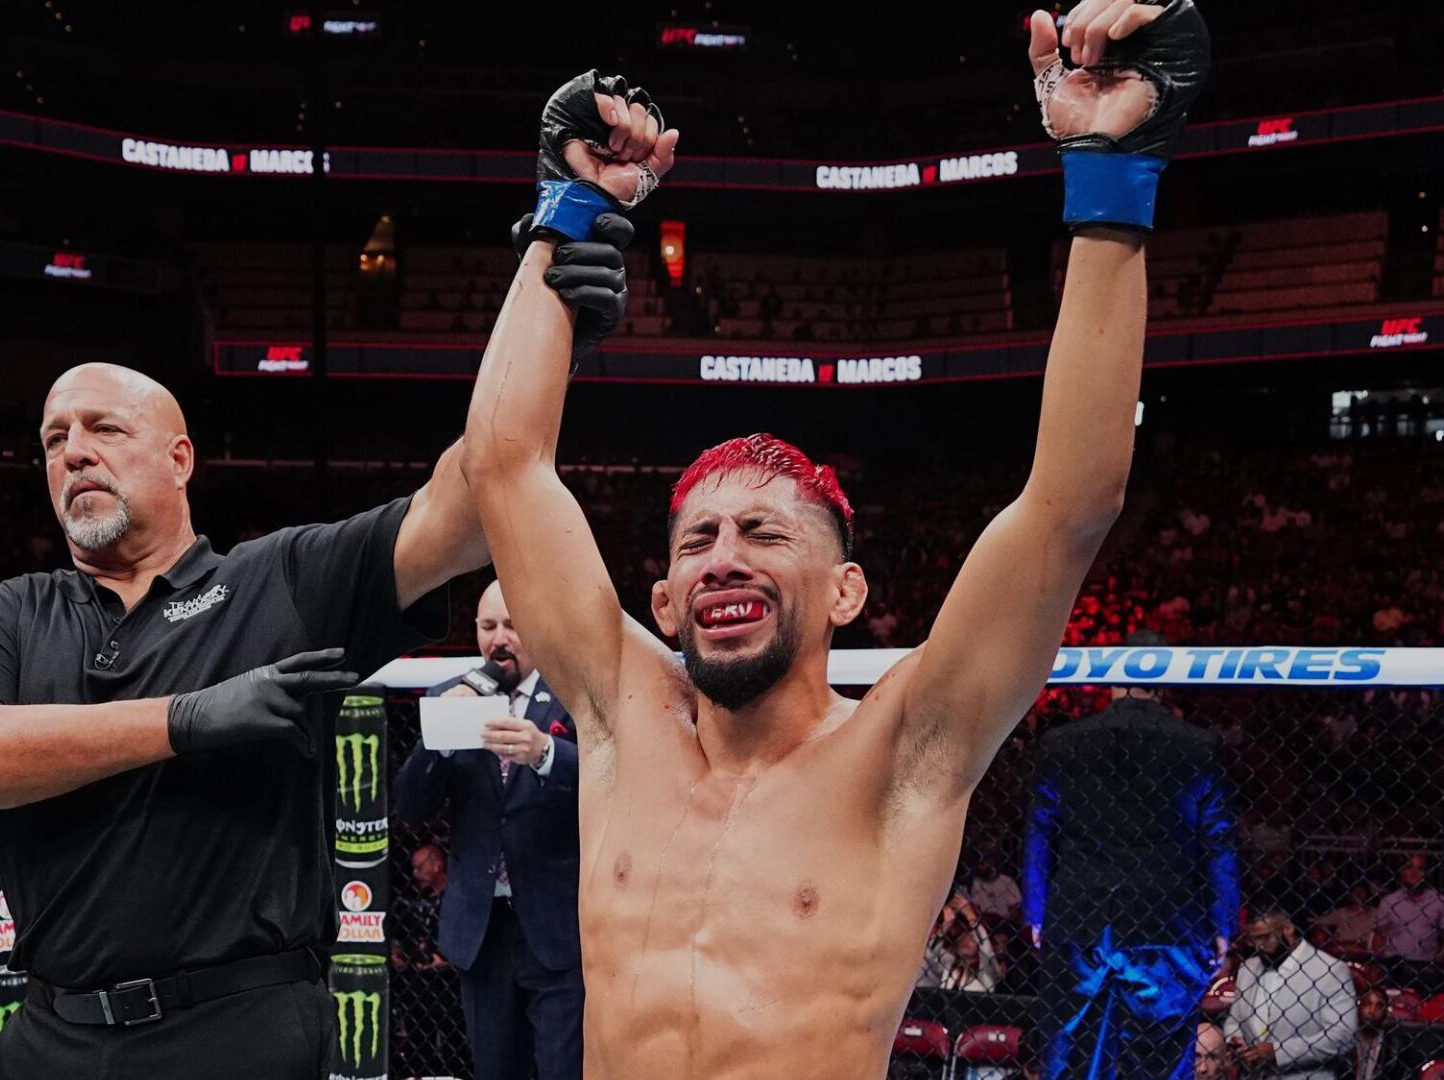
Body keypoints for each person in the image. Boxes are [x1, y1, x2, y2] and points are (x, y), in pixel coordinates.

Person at [455, 2, 1209, 1074]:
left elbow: (1068, 503)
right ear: (664, 603)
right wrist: (565, 213)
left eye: (764, 532)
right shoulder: (623, 720)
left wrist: (1114, 180)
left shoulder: (905, 753)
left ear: (846, 593)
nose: (724, 554)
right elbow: (505, 470)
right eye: (698, 540)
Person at [0, 344, 628, 1070]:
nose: (75, 452)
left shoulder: (282, 581)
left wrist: (549, 330)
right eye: (54, 439)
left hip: (241, 1030)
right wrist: (183, 720)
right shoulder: (11, 612)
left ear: (180, 458)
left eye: (105, 430)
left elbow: (473, 498)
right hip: (52, 1035)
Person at [395, 579, 585, 1080]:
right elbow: (410, 804)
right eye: (488, 626)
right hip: (481, 927)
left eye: (512, 625)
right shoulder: (450, 696)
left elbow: (614, 776)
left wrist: (545, 753)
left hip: (557, 924)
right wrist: (439, 735)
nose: (499, 639)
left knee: (564, 1068)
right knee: (496, 1069)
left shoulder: (575, 692)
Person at [1025, 664, 1239, 1080]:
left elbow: (1040, 830)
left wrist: (1037, 911)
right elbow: (1220, 840)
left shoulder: (1064, 742)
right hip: (1167, 919)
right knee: (1161, 1054)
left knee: (1072, 1048)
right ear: (1166, 685)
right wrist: (1224, 922)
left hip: (1081, 914)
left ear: (1111, 680)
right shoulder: (1195, 744)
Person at [1220, 906, 1357, 1080]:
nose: (1258, 946)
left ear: (1288, 928)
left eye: (1265, 937)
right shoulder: (1248, 968)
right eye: (1252, 940)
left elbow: (1343, 1036)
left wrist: (1278, 1052)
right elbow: (1234, 1019)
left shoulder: (1329, 970)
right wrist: (1235, 1039)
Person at [1373, 854, 1444, 986]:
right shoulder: (1389, 902)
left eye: (1420, 869)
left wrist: (1438, 962)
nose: (1415, 873)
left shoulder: (1438, 901)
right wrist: (1379, 963)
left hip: (1425, 966)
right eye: (1409, 868)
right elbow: (1379, 935)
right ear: (1401, 872)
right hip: (1393, 964)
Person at [918, 896, 1001, 993]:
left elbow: (986, 951)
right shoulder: (949, 965)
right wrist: (946, 926)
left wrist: (970, 915)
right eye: (964, 937)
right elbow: (929, 954)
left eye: (972, 938)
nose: (966, 941)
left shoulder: (986, 972)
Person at [1310, 881, 1377, 955]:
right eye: (1355, 892)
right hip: (1341, 946)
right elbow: (1321, 921)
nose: (1358, 894)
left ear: (1367, 894)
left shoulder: (1374, 912)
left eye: (1362, 892)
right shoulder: (1342, 912)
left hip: (1362, 947)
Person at [966, 858, 1023, 924]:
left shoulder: (1007, 881)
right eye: (979, 865)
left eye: (982, 865)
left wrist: (1011, 921)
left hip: (1004, 920)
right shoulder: (976, 882)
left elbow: (1014, 908)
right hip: (985, 919)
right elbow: (975, 906)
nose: (980, 868)